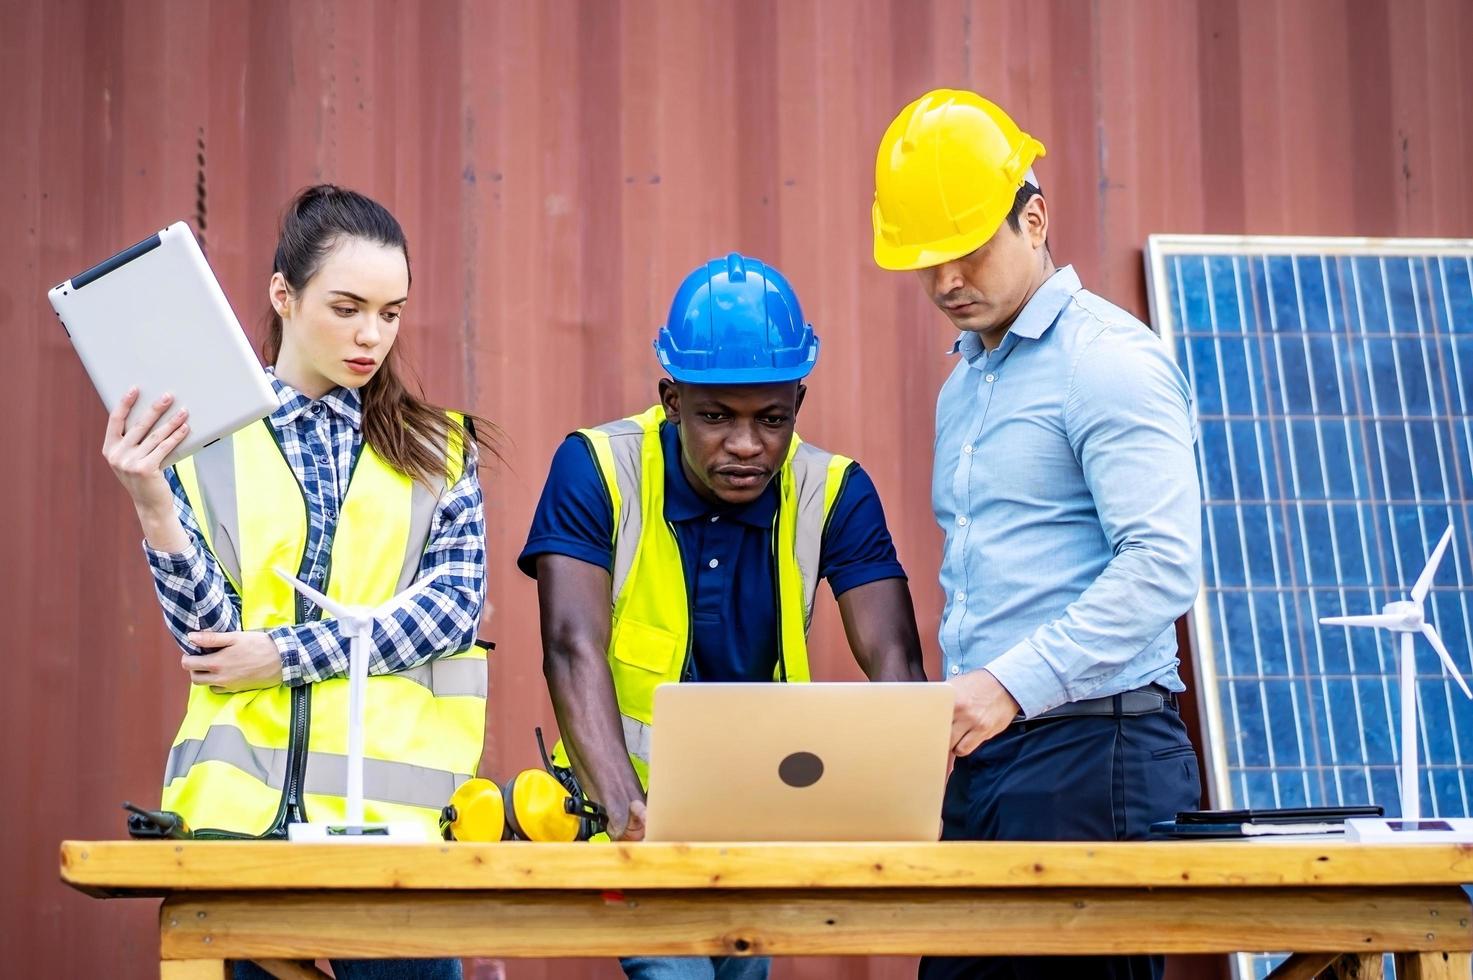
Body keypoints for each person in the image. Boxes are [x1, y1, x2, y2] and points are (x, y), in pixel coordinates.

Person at [103, 185, 493, 980]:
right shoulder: (203, 440)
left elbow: (448, 612)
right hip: (238, 832)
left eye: (390, 312)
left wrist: (281, 654)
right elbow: (206, 637)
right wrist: (150, 498)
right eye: (347, 307)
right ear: (283, 295)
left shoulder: (440, 449)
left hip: (391, 835)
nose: (371, 335)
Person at [520, 252, 927, 980]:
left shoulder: (833, 491)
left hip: (760, 816)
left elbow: (895, 661)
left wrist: (901, 809)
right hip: (631, 812)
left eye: (770, 419)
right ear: (671, 399)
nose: (746, 446)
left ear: (798, 403)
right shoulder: (598, 467)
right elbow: (569, 644)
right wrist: (624, 811)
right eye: (715, 417)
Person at [871, 89, 1204, 980]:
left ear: (1035, 218)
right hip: (996, 761)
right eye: (925, 260)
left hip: (1095, 757)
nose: (945, 281)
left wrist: (1006, 687)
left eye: (967, 250)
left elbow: (1163, 567)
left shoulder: (1107, 361)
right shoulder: (965, 386)